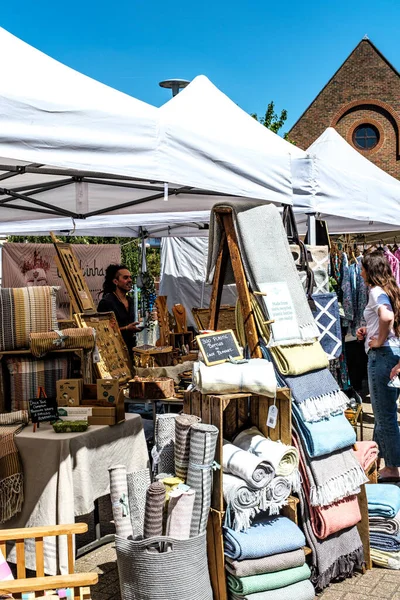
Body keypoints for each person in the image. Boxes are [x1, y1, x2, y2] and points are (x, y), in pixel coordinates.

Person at [356, 251, 400, 482]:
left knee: (384, 416)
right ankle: (377, 462)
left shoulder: (375, 292)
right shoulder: (390, 290)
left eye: (362, 268)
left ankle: (392, 468)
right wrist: (369, 332)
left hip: (381, 356)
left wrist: (380, 340)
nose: (360, 271)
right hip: (392, 355)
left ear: (370, 271)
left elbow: (386, 317)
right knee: (385, 413)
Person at [97, 264, 142, 355]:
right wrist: (126, 328)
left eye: (130, 277)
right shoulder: (107, 302)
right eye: (125, 278)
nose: (130, 280)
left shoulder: (130, 300)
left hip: (131, 349)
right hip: (114, 351)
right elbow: (103, 330)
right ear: (115, 281)